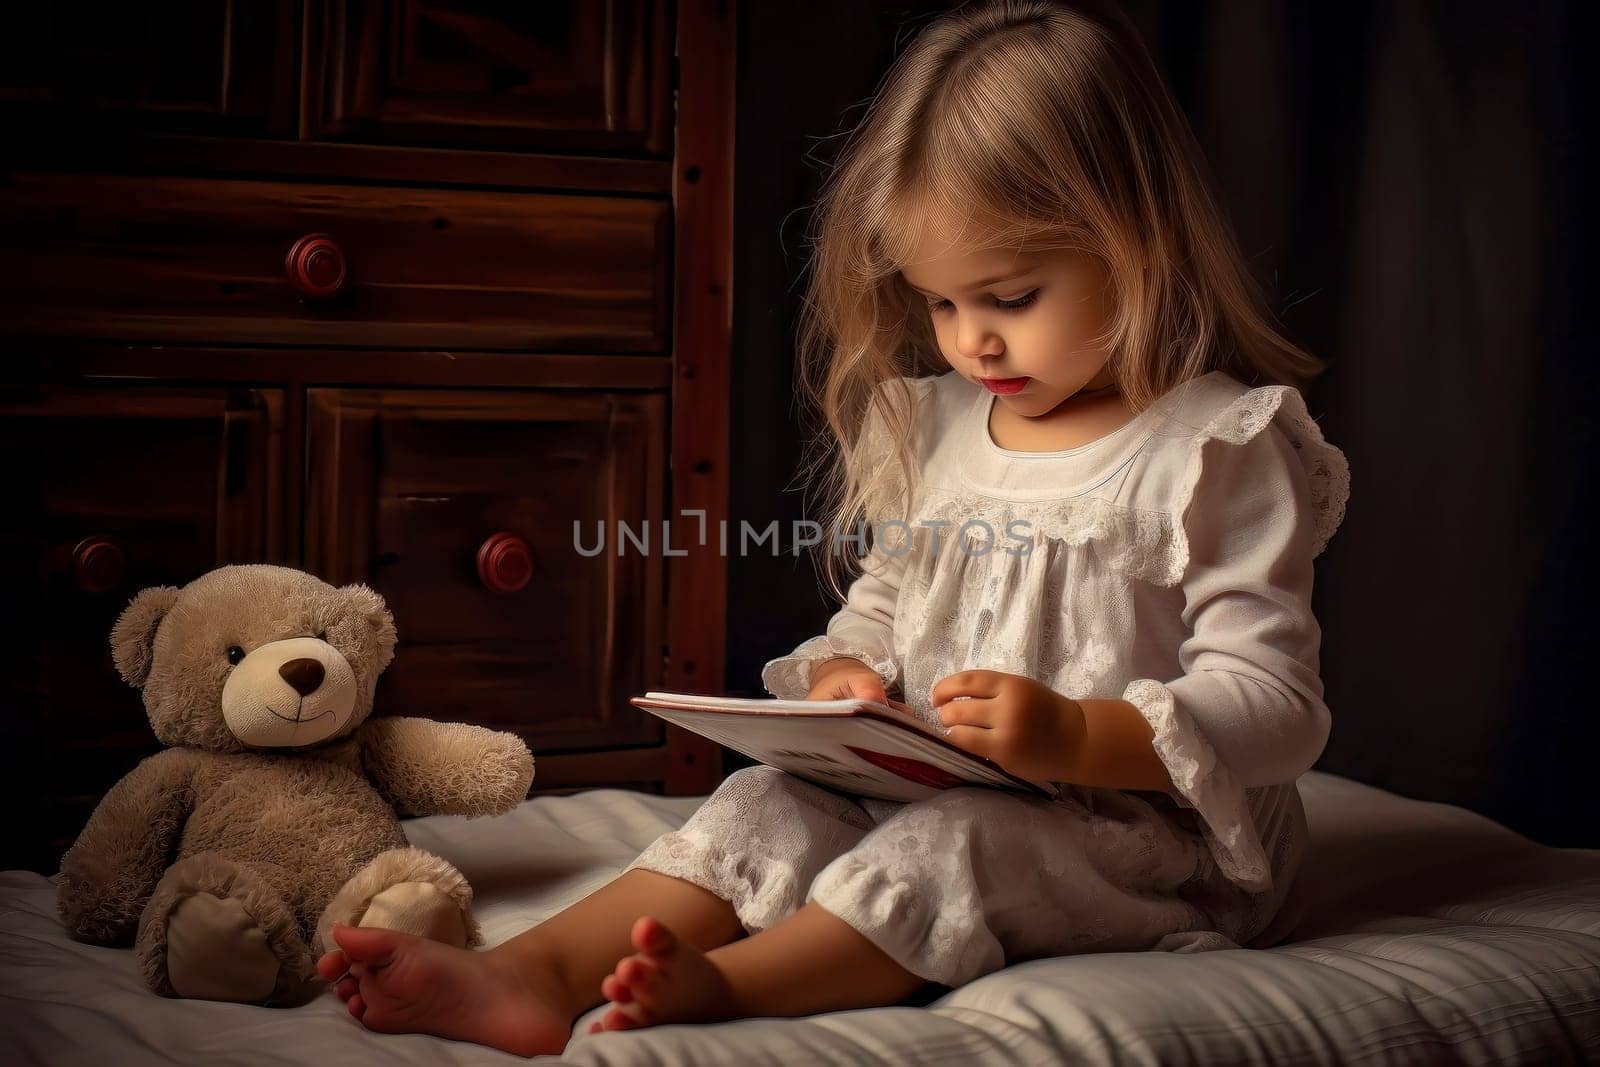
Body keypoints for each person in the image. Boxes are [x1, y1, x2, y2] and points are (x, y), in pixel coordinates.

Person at [314, 0, 1352, 1055]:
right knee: (767, 795)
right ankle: (526, 969)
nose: (971, 341)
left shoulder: (1213, 448)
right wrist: (843, 678)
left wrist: (1077, 734)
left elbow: (1277, 709)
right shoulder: (940, 423)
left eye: (1010, 294)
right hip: (942, 782)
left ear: (1135, 240)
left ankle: (729, 987)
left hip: (1148, 843)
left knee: (963, 841)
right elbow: (888, 602)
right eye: (940, 304)